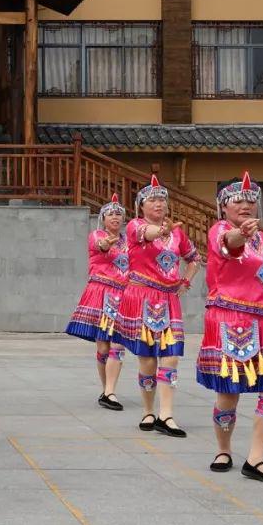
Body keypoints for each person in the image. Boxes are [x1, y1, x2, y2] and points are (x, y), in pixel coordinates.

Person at [196, 173, 263, 484]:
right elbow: (230, 245)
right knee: (229, 393)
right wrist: (241, 234)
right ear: (223, 206)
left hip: (262, 320)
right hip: (230, 318)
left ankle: (256, 458)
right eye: (238, 199)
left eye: (251, 199)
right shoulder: (219, 230)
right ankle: (223, 449)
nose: (246, 205)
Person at [116, 175, 200, 438]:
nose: (158, 204)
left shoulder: (177, 234)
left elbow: (194, 258)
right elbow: (147, 234)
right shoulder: (134, 226)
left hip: (168, 299)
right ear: (141, 205)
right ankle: (148, 410)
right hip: (142, 297)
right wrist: (161, 231)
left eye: (162, 199)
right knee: (148, 359)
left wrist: (185, 280)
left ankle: (167, 414)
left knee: (171, 355)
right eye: (152, 199)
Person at [65, 194, 129, 410]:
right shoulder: (96, 235)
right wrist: (105, 243)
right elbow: (101, 246)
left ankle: (110, 391)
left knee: (118, 344)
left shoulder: (128, 242)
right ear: (102, 218)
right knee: (103, 346)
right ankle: (107, 389)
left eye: (119, 214)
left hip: (124, 295)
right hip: (102, 293)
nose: (115, 217)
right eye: (111, 213)